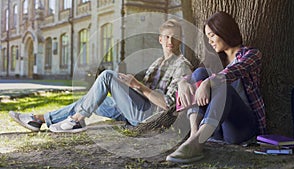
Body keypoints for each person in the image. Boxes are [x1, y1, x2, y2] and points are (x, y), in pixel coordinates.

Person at [9, 19, 193, 133]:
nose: (170, 41)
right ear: (160, 39)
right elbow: (142, 93)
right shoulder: (157, 62)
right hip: (135, 109)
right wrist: (128, 84)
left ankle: (76, 120)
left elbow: (168, 106)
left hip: (150, 117)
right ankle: (38, 120)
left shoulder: (182, 65)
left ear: (181, 40)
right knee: (90, 99)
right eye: (166, 37)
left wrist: (137, 85)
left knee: (106, 76)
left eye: (175, 37)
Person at [166, 11, 266, 163]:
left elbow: (234, 71)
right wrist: (183, 83)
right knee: (200, 72)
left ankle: (197, 141)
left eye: (212, 35)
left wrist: (208, 83)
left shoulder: (252, 54)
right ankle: (194, 137)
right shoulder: (215, 61)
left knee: (222, 86)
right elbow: (193, 76)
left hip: (242, 127)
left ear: (224, 30)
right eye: (208, 37)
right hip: (217, 130)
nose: (210, 41)